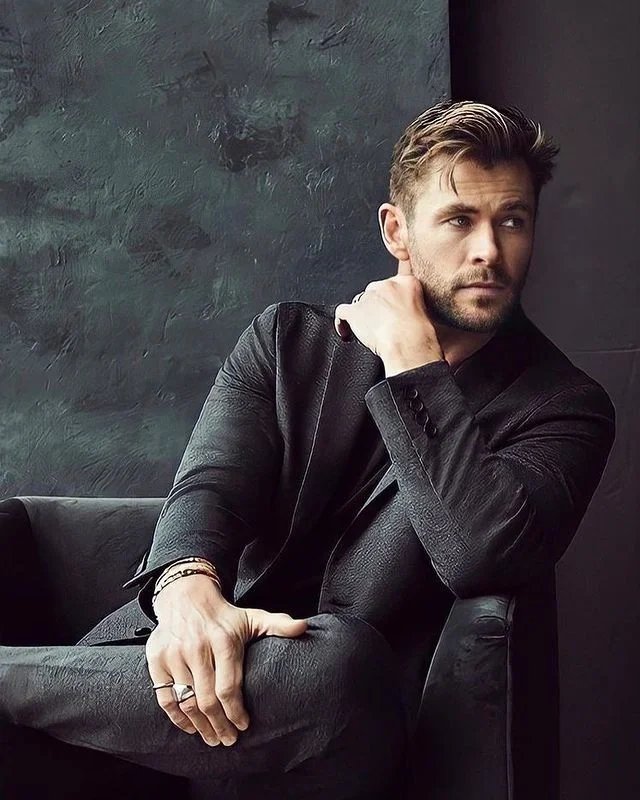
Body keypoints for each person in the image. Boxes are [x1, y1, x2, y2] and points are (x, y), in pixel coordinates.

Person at [0, 100, 615, 799]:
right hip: (169, 698)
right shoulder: (287, 341)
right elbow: (210, 488)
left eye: (512, 221)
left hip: (337, 723)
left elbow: (481, 554)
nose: (489, 251)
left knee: (339, 667)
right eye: (458, 220)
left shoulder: (564, 407)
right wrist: (189, 594)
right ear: (397, 230)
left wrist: (414, 368)